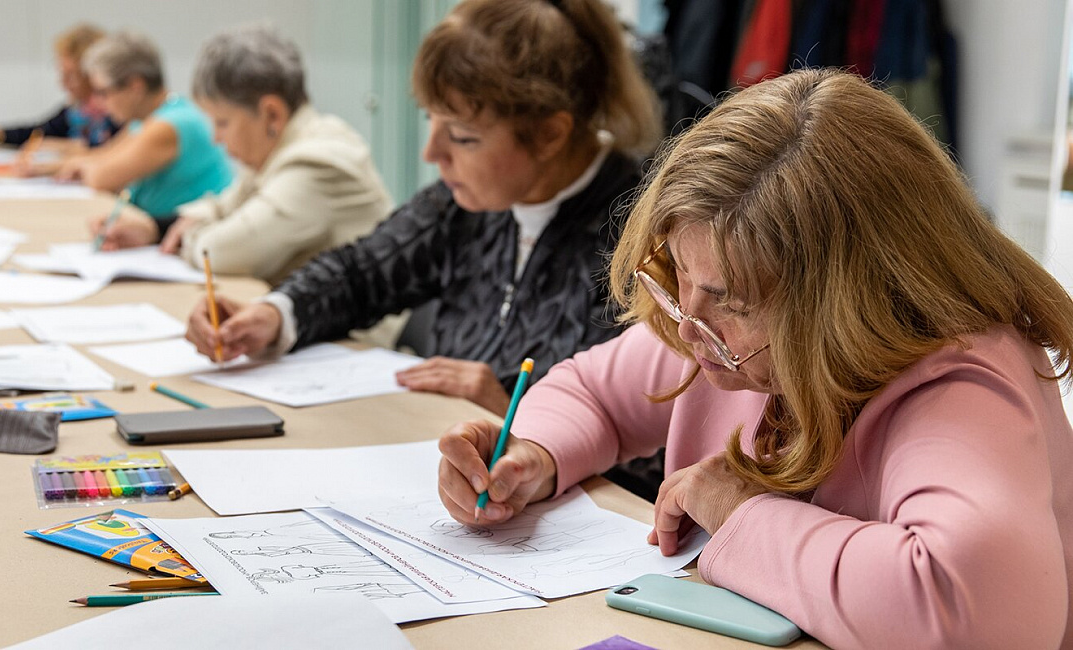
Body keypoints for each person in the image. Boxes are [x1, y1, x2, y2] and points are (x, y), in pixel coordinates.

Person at [436, 68, 1073, 649]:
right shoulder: (718, 332)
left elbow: (978, 615)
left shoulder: (962, 387)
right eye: (678, 275)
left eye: (729, 301)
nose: (686, 325)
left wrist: (740, 512)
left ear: (846, 302)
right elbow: (593, 391)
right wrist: (532, 454)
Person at [186, 0, 663, 417]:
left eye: (462, 136)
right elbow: (361, 273)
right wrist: (274, 314)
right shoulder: (467, 203)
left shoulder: (647, 240)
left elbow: (654, 427)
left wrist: (521, 414)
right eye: (430, 122)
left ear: (550, 135)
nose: (431, 154)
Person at [91, 26, 393, 285]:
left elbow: (221, 253)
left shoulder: (317, 162)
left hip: (355, 343)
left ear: (271, 114)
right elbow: (223, 207)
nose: (216, 137)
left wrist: (189, 235)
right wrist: (155, 229)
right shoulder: (281, 146)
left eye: (222, 123)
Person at [58, 31, 233, 221]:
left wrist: (84, 166)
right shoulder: (145, 119)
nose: (100, 103)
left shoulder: (169, 125)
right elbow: (103, 155)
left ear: (135, 86)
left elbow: (100, 178)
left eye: (104, 92)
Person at [0, 24, 118, 150]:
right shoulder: (76, 110)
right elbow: (38, 132)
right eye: (62, 74)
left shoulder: (116, 112)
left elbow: (112, 149)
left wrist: (64, 147)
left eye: (71, 75)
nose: (63, 83)